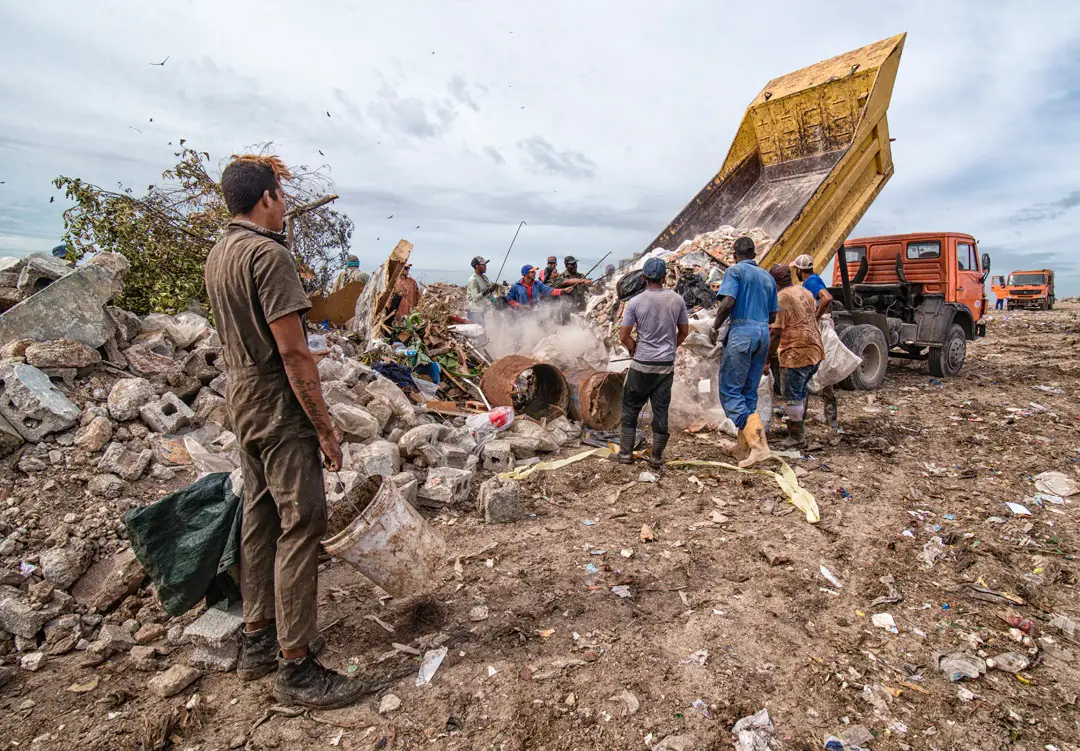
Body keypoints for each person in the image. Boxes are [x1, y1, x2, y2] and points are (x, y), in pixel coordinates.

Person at [205, 154, 370, 708]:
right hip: (277, 405)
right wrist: (324, 427)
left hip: (241, 400)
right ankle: (296, 666)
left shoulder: (219, 254)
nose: (285, 206)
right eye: (281, 195)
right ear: (268, 197)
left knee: (260, 513)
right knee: (303, 520)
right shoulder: (266, 255)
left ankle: (257, 638)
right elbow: (294, 351)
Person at [609, 257, 689, 468]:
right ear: (664, 277)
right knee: (661, 409)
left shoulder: (635, 302)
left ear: (644, 278)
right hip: (665, 366)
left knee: (630, 406)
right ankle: (656, 457)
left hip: (642, 364)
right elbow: (684, 332)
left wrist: (634, 349)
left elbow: (624, 335)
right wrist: (671, 347)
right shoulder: (677, 300)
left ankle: (625, 453)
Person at [709, 237, 778, 467]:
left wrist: (715, 326)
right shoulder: (768, 277)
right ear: (754, 254)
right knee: (749, 391)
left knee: (730, 391)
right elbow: (773, 317)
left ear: (734, 253)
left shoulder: (735, 272)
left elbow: (727, 302)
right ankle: (743, 446)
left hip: (742, 333)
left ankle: (759, 447)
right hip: (763, 335)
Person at [767, 264, 825, 448]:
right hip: (814, 348)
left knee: (792, 395)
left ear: (774, 281)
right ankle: (797, 428)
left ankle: (796, 436)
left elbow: (776, 333)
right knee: (800, 393)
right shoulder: (803, 291)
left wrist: (766, 360)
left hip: (796, 353)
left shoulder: (781, 298)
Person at [792, 254, 838, 427]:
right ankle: (830, 418)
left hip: (818, 330)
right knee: (820, 370)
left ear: (799, 270)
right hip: (819, 328)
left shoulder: (811, 281)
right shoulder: (814, 279)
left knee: (806, 371)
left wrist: (815, 318)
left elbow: (827, 297)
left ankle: (802, 418)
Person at [505, 264, 588, 308]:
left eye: (534, 272)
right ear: (526, 274)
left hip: (534, 313)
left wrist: (563, 291)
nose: (535, 273)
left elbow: (550, 290)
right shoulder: (516, 286)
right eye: (532, 272)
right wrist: (519, 306)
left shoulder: (537, 284)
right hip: (520, 316)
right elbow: (509, 299)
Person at [466, 256, 497, 323]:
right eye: (483, 265)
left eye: (485, 264)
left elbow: (488, 294)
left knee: (484, 331)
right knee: (479, 332)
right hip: (475, 312)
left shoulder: (484, 277)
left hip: (482, 311)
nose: (485, 266)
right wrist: (488, 290)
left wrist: (494, 299)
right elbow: (475, 298)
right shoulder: (473, 280)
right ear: (477, 266)